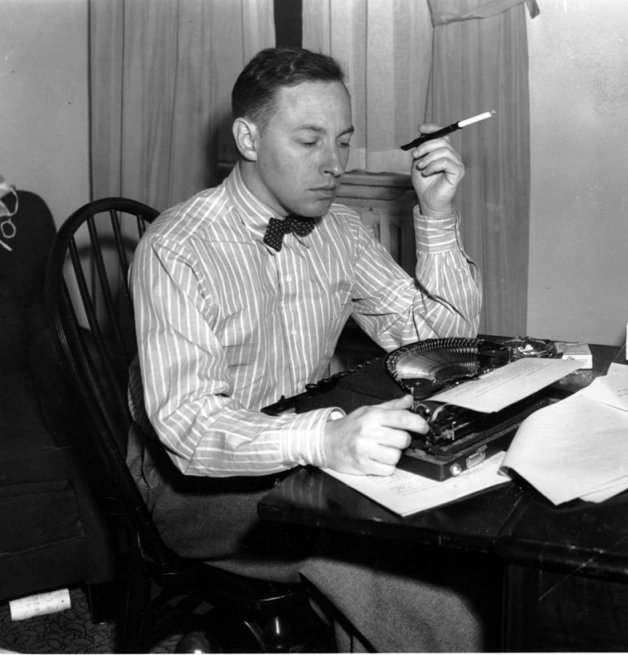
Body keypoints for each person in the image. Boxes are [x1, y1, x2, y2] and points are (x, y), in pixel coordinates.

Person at [127, 46, 489, 651]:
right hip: (196, 487)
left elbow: (444, 348)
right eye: (309, 141)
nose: (334, 164)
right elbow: (189, 431)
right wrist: (323, 439)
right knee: (385, 555)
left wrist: (437, 214)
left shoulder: (340, 230)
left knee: (455, 512)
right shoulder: (177, 247)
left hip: (305, 452)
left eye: (343, 141)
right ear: (248, 137)